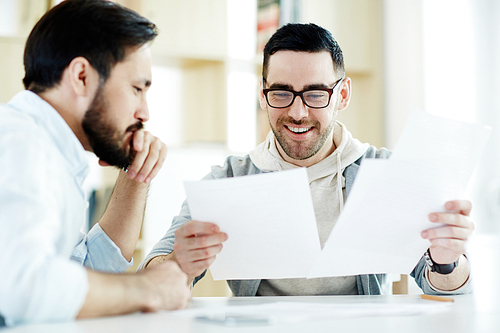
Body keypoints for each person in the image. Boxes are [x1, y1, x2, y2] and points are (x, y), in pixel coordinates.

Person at [139, 23, 473, 297]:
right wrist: (177, 264)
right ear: (262, 95)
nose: (298, 113)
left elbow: (445, 290)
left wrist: (445, 262)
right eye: (281, 93)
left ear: (341, 95)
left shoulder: (385, 173)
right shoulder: (230, 178)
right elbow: (152, 279)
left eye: (315, 94)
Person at [0, 0, 190, 327]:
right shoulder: (20, 143)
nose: (145, 114)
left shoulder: (52, 150)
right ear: (82, 76)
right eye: (136, 89)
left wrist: (136, 174)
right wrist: (149, 288)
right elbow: (24, 288)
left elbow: (86, 275)